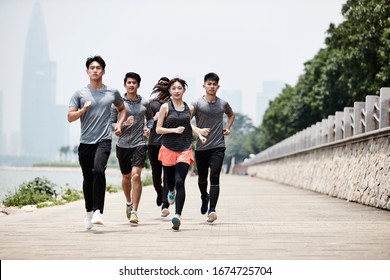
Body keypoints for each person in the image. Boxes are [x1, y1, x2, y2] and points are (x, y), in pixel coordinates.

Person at [67, 55, 126, 230]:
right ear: (87, 71)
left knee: (99, 170)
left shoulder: (112, 92)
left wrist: (119, 124)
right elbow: (70, 117)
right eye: (92, 68)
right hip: (85, 142)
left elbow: (122, 109)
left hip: (104, 139)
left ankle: (98, 210)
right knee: (88, 177)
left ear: (103, 71)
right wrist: (82, 110)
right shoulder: (79, 94)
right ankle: (88, 212)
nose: (95, 70)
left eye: (98, 68)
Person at [155, 77, 204, 230]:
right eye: (174, 88)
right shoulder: (165, 107)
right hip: (168, 148)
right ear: (169, 90)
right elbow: (158, 129)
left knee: (179, 181)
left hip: (185, 148)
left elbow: (188, 124)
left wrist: (199, 134)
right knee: (170, 182)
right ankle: (170, 192)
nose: (176, 91)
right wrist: (173, 131)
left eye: (179, 88)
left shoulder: (189, 108)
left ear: (184, 90)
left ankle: (177, 215)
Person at [191, 72, 235, 223]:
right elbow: (186, 120)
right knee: (202, 179)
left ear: (218, 86)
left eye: (214, 84)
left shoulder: (222, 104)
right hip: (201, 147)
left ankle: (212, 210)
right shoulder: (196, 104)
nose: (211, 86)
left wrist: (228, 128)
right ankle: (204, 196)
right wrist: (198, 132)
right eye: (209, 84)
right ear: (204, 86)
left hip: (218, 146)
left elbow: (231, 115)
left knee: (215, 176)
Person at [111, 72, 154, 225]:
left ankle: (135, 211)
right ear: (125, 85)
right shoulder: (117, 104)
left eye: (134, 83)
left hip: (139, 143)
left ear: (138, 85)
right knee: (126, 177)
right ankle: (128, 202)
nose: (131, 85)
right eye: (128, 82)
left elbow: (150, 119)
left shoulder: (145, 103)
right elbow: (111, 124)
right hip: (122, 144)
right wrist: (123, 124)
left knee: (136, 176)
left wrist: (148, 128)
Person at [148, 77, 171, 217]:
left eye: (165, 84)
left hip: (168, 143)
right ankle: (159, 192)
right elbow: (146, 122)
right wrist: (154, 119)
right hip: (153, 143)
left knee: (167, 174)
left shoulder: (172, 104)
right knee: (156, 175)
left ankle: (165, 203)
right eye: (160, 84)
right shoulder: (151, 104)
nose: (162, 86)